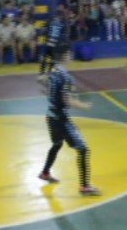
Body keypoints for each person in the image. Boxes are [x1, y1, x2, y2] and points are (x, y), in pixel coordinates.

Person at [39, 46, 101, 196]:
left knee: (57, 144)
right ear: (65, 56)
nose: (72, 56)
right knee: (83, 149)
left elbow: (43, 83)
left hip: (50, 116)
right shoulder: (65, 77)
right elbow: (67, 101)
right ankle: (85, 186)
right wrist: (83, 105)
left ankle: (45, 172)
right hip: (61, 119)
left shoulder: (52, 72)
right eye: (70, 54)